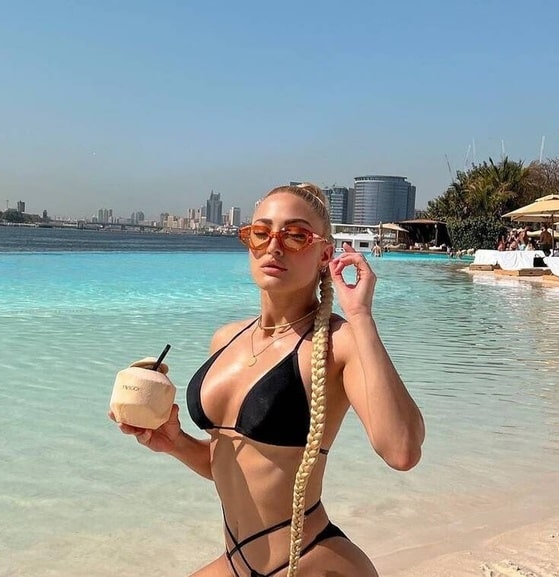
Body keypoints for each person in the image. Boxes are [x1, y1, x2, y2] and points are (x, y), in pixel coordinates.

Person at [111, 183, 425, 577]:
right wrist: (175, 443)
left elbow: (401, 451)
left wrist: (361, 316)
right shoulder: (226, 338)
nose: (274, 247)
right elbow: (235, 465)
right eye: (261, 233)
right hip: (236, 562)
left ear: (324, 254)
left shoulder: (337, 343)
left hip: (310, 561)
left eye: (296, 236)